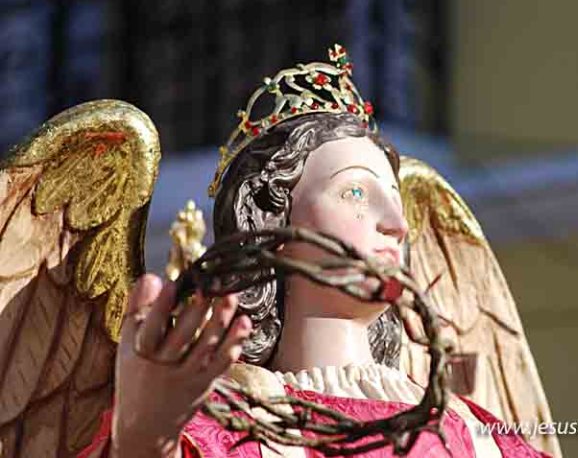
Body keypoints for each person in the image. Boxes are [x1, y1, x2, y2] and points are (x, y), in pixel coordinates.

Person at [78, 49, 552, 458]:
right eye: (354, 193)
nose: (398, 224)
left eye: (393, 197)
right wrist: (144, 438)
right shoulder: (222, 429)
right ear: (273, 227)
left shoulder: (473, 435)